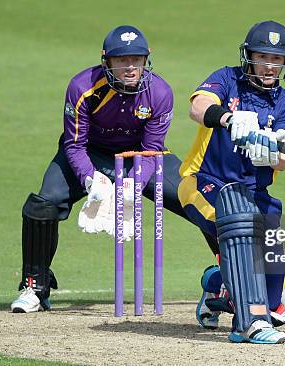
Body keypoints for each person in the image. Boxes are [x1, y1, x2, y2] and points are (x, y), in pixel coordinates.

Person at [11, 25, 216, 313]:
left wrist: (132, 184)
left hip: (142, 156)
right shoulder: (82, 87)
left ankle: (231, 283)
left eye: (136, 59)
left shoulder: (159, 92)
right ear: (106, 60)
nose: (130, 67)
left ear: (147, 59)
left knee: (202, 200)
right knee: (42, 205)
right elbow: (74, 144)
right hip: (90, 153)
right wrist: (89, 180)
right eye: (121, 61)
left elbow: (152, 147)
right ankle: (35, 286)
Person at [178, 20, 285, 344]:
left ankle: (219, 285)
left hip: (255, 193)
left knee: (272, 279)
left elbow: (283, 163)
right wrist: (228, 118)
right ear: (248, 55)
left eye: (276, 59)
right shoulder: (227, 79)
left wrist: (272, 151)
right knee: (240, 225)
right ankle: (249, 324)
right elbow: (197, 107)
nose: (269, 65)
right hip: (205, 182)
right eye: (263, 56)